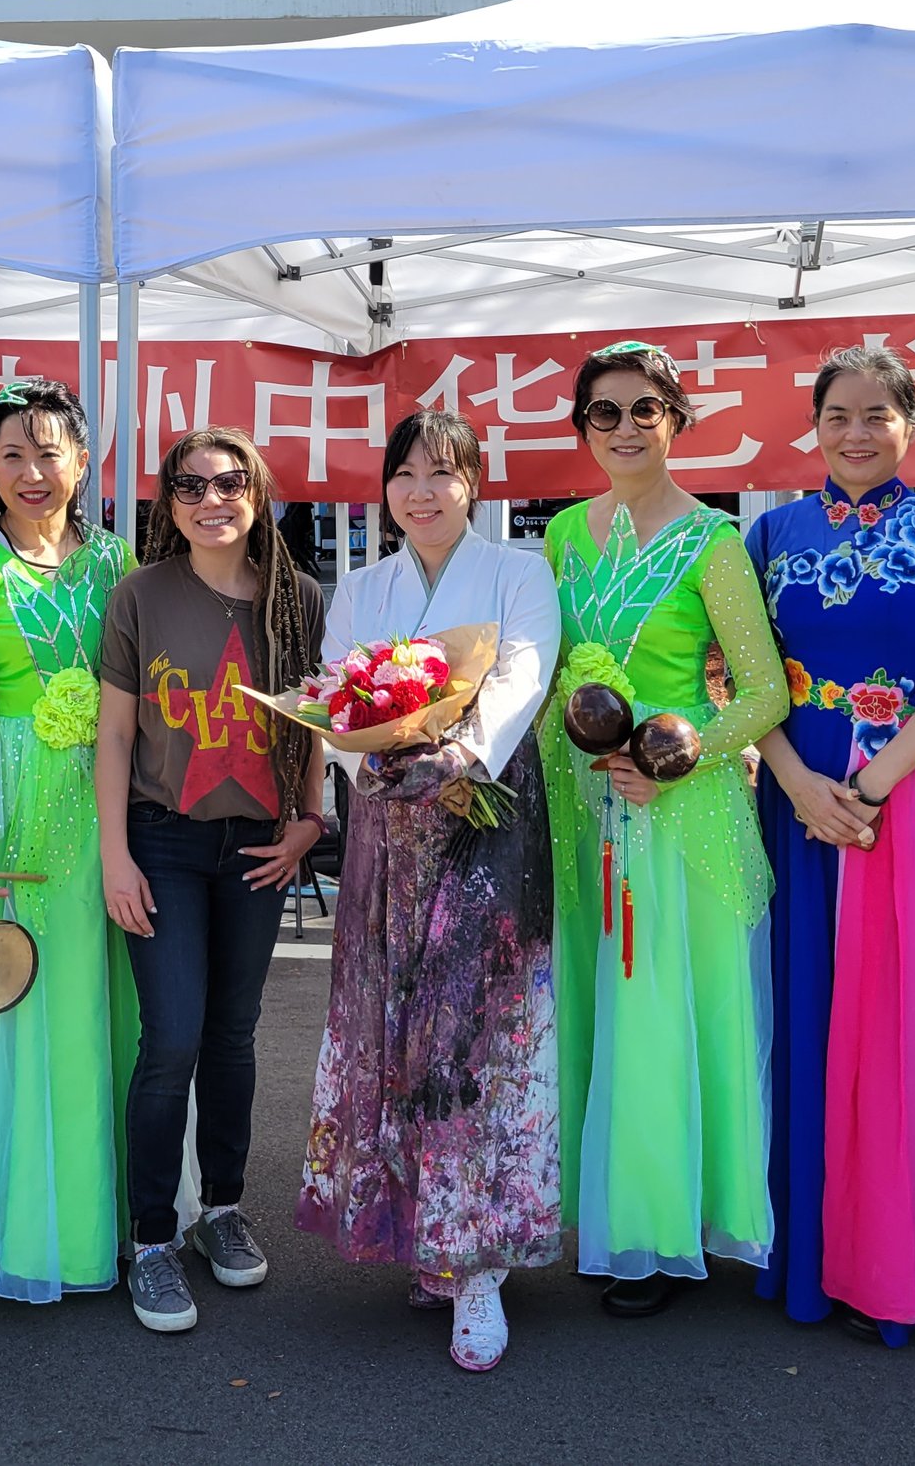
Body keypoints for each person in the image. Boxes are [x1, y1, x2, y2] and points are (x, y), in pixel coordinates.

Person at [744, 346, 915, 1355]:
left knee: (904, 1025)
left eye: (878, 415)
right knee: (806, 1014)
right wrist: (794, 783)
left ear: (913, 423)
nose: (856, 433)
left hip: (906, 791)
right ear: (811, 426)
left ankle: (898, 1262)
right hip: (797, 790)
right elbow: (739, 680)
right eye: (837, 416)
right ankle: (806, 1254)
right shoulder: (769, 533)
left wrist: (862, 789)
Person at [297, 409, 563, 1372]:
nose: (422, 490)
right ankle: (429, 1236)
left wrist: (463, 746)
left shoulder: (520, 570)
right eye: (405, 473)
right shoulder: (361, 586)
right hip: (387, 823)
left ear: (475, 483)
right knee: (396, 1029)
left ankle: (480, 1262)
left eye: (443, 473)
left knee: (474, 1034)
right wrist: (359, 752)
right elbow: (335, 696)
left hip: (485, 819)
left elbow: (525, 668)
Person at [539, 341, 786, 1317]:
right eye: (604, 412)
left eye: (645, 409)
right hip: (582, 808)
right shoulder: (561, 536)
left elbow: (763, 692)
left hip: (677, 814)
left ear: (675, 420)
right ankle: (607, 1212)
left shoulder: (714, 544)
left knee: (665, 1018)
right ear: (582, 429)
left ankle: (653, 1230)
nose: (626, 428)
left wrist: (670, 758)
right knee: (604, 1013)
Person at [97, 427, 328, 1333]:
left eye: (230, 482)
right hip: (162, 842)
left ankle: (222, 1209)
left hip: (261, 847)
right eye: (190, 485)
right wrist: (116, 854)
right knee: (172, 1037)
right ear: (169, 502)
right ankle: (154, 1236)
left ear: (257, 492)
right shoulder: (140, 596)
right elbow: (116, 735)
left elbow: (314, 721)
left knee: (234, 1034)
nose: (212, 497)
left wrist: (312, 823)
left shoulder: (298, 599)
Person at [0, 379, 137, 1301]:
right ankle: (3, 1218)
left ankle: (112, 1214)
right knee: (8, 1000)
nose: (32, 471)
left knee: (99, 998)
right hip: (11, 795)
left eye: (50, 451)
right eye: (11, 453)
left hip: (109, 798)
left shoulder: (118, 562)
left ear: (83, 461)